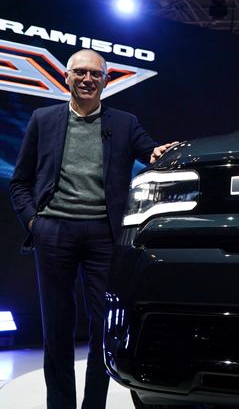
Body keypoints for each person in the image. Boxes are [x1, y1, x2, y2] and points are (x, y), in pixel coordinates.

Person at [8, 49, 176, 409]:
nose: (87, 79)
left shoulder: (125, 122)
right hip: (53, 232)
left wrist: (163, 152)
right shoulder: (43, 119)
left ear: (105, 80)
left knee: (104, 330)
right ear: (66, 77)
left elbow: (151, 152)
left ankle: (94, 405)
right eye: (80, 73)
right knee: (56, 327)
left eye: (94, 74)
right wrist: (35, 223)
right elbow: (19, 182)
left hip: (103, 236)